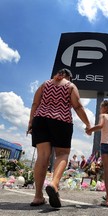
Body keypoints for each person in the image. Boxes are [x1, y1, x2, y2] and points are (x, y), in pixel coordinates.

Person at [27, 68, 91, 208]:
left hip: (40, 120)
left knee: (42, 156)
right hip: (61, 121)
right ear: (69, 77)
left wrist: (31, 122)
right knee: (62, 154)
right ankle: (54, 184)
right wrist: (88, 124)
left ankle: (38, 196)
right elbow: (78, 106)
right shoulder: (70, 86)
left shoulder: (45, 84)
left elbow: (35, 104)